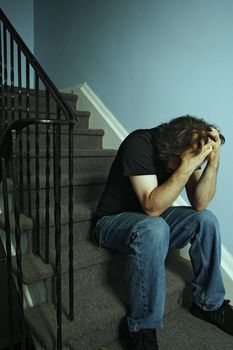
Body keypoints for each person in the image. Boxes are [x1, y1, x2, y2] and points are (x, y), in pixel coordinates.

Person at [94, 115, 233, 349]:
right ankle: (141, 325)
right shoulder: (139, 143)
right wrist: (187, 166)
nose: (194, 165)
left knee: (205, 220)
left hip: (150, 221)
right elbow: (151, 207)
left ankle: (209, 303)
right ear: (174, 151)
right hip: (112, 222)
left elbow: (200, 203)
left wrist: (213, 162)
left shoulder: (183, 156)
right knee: (154, 226)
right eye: (192, 160)